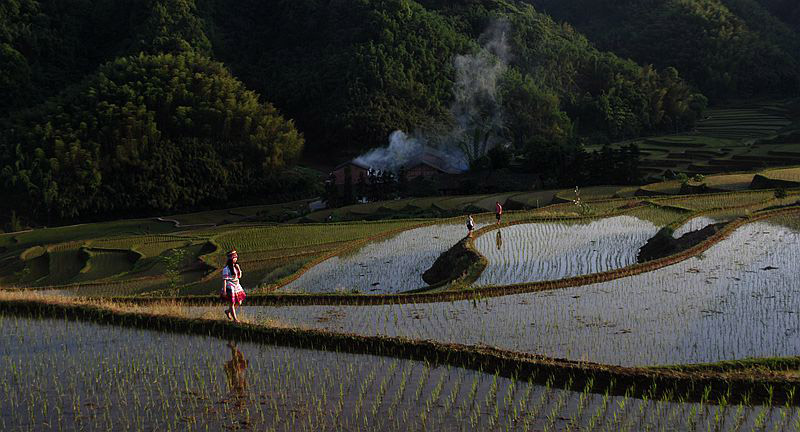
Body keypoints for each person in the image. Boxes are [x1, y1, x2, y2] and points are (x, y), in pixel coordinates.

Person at [221, 249, 246, 322]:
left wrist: (238, 269)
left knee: (239, 302)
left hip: (237, 285)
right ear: (232, 258)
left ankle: (228, 311)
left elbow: (239, 276)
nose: (236, 258)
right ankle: (235, 319)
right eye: (235, 257)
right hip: (230, 286)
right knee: (232, 303)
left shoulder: (236, 266)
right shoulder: (226, 269)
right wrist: (224, 291)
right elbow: (224, 280)